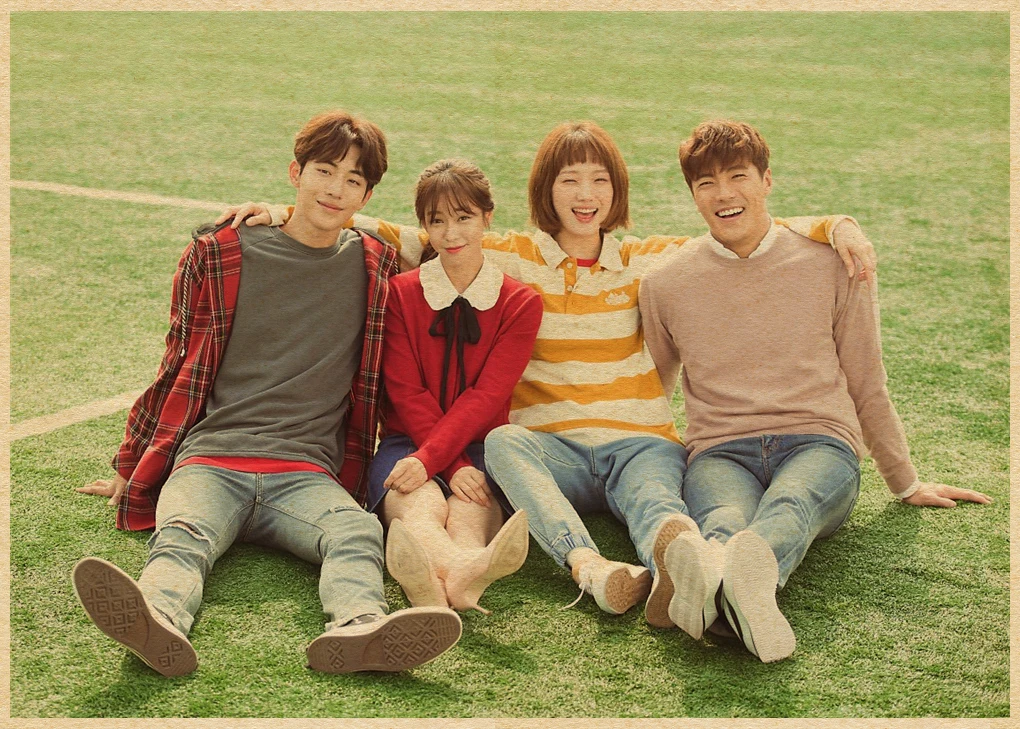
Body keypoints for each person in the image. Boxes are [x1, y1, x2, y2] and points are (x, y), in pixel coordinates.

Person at [219, 120, 877, 625]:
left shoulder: (649, 258)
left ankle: (678, 576)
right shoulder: (506, 252)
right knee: (506, 444)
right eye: (569, 181)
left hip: (636, 439)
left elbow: (739, 227)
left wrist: (833, 224)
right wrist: (287, 212)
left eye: (598, 181)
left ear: (616, 190)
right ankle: (587, 566)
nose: (585, 196)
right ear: (546, 190)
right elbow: (411, 233)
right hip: (550, 444)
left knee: (658, 502)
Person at [73, 110, 462, 677]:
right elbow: (177, 361)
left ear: (367, 196)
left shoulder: (375, 263)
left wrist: (295, 213)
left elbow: (455, 240)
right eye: (323, 171)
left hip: (306, 472)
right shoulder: (222, 253)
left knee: (357, 531)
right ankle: (156, 619)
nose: (335, 189)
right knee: (182, 536)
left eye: (352, 180)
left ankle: (359, 629)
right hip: (211, 460)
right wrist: (130, 465)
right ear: (295, 173)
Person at [638, 119, 992, 663]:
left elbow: (866, 378)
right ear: (693, 194)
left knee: (793, 501)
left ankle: (718, 591)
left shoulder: (833, 262)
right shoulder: (665, 282)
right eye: (706, 183)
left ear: (766, 180)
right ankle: (737, 601)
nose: (724, 194)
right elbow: (654, 390)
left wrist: (905, 481)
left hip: (819, 443)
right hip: (719, 450)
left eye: (738, 176)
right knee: (725, 520)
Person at [369, 160, 542, 614]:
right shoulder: (399, 294)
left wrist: (451, 461)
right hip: (408, 441)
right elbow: (406, 392)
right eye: (437, 221)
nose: (450, 234)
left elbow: (487, 396)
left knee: (468, 513)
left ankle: (428, 586)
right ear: (424, 226)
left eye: (463, 217)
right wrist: (439, 462)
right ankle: (461, 575)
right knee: (421, 506)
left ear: (487, 217)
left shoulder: (521, 303)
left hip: (483, 446)